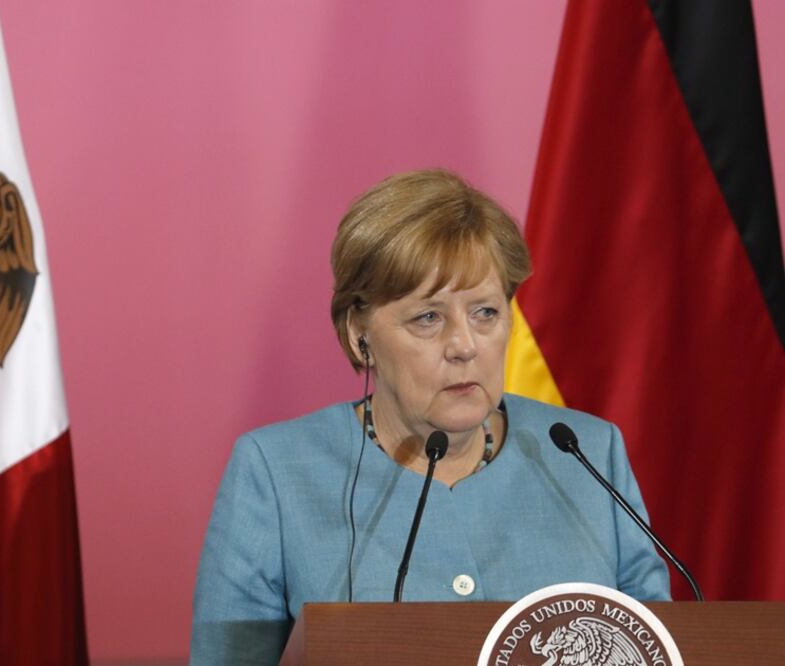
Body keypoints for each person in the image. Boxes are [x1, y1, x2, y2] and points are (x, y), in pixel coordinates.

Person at [190, 170, 670, 664]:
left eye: (485, 312)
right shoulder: (276, 471)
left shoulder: (586, 451)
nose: (465, 346)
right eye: (428, 318)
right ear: (361, 333)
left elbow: (657, 645)